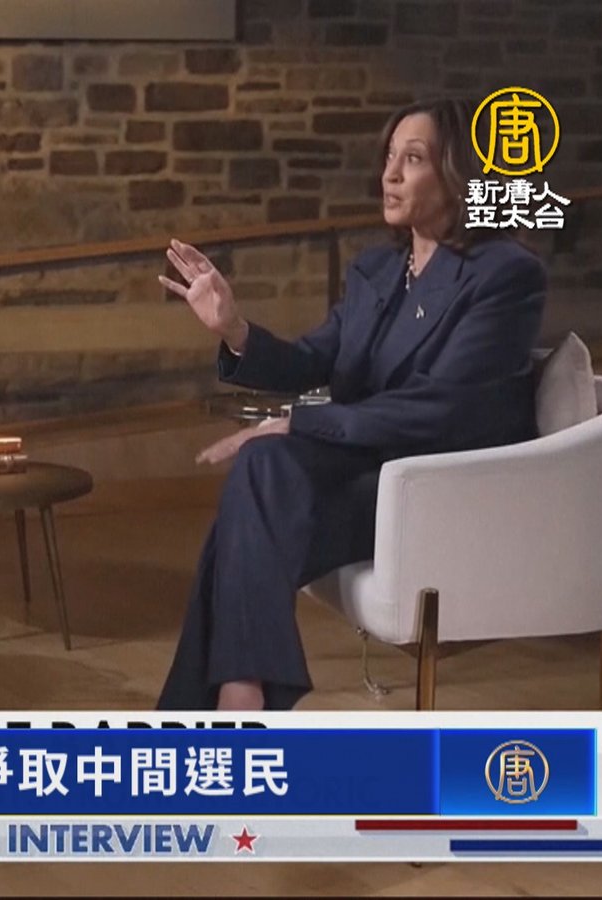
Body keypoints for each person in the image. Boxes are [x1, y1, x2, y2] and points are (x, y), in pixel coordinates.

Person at [154, 98, 546, 711]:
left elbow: (442, 408)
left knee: (253, 499)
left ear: (456, 174)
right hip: (361, 474)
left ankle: (225, 711)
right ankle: (242, 700)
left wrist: (301, 423)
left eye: (412, 159)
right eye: (389, 156)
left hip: (432, 488)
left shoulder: (504, 274)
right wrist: (234, 328)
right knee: (258, 480)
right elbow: (313, 360)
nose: (389, 174)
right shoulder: (377, 271)